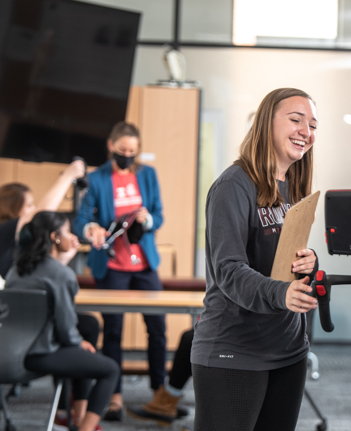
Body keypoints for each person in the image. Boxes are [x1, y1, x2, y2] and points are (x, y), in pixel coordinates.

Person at [191, 88, 320, 431]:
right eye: (295, 120)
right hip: (234, 350)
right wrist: (281, 293)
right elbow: (228, 270)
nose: (305, 131)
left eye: (312, 125)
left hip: (288, 349)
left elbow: (277, 258)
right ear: (266, 123)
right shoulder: (234, 185)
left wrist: (309, 262)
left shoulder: (293, 186)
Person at [73, 121, 169, 422]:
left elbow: (159, 215)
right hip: (111, 264)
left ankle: (159, 392)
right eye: (123, 150)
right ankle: (113, 396)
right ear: (111, 146)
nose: (127, 155)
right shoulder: (95, 178)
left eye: (133, 151)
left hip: (144, 265)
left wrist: (147, 219)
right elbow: (82, 220)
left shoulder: (148, 175)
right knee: (112, 331)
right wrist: (93, 229)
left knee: (158, 330)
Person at [5, 211, 119, 431]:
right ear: (54, 237)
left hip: (13, 348)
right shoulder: (61, 275)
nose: (72, 236)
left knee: (88, 325)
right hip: (40, 354)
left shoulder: (15, 270)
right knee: (110, 369)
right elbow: (66, 327)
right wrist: (78, 344)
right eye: (67, 231)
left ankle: (77, 416)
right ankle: (85, 428)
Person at [0, 159, 86, 276]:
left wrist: (64, 257)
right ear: (13, 208)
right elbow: (41, 214)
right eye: (29, 205)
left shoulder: (26, 239)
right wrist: (67, 176)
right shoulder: (5, 229)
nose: (33, 209)